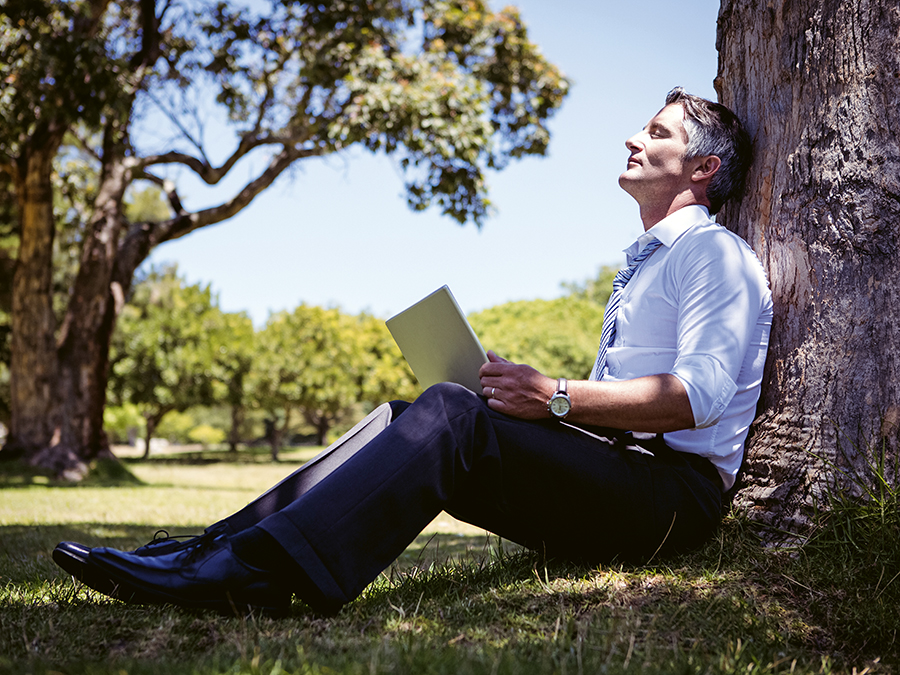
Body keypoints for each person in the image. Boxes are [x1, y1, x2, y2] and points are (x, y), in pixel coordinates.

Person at [53, 88, 772, 618]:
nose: (630, 138)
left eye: (655, 131)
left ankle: (258, 574)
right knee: (410, 413)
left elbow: (694, 396)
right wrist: (523, 395)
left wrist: (552, 394)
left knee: (456, 413)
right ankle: (201, 549)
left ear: (702, 167)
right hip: (622, 469)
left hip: (672, 498)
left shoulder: (715, 255)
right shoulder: (648, 261)